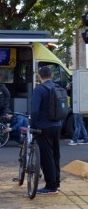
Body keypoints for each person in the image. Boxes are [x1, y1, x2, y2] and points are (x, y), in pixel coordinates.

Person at [31, 66, 61, 195]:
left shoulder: (39, 89)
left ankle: (50, 186)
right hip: (58, 125)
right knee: (55, 155)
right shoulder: (58, 87)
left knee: (46, 156)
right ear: (51, 76)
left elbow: (35, 110)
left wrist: (33, 125)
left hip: (44, 126)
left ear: (39, 76)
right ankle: (57, 183)